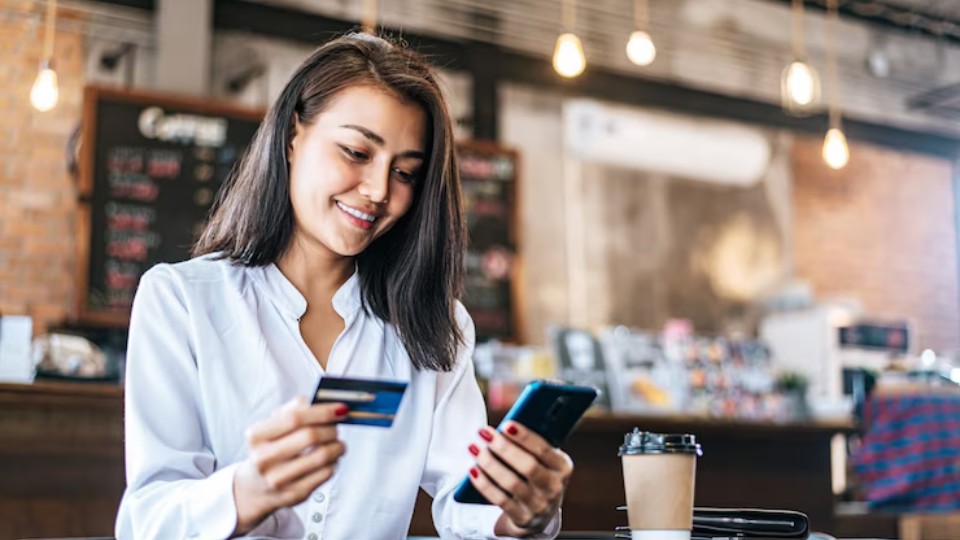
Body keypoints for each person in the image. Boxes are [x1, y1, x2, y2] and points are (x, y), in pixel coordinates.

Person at [115, 34, 571, 539]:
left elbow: (466, 502)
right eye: (356, 152)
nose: (379, 191)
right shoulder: (183, 300)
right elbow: (147, 519)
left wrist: (521, 511)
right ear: (293, 135)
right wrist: (248, 491)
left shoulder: (435, 326)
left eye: (405, 172)